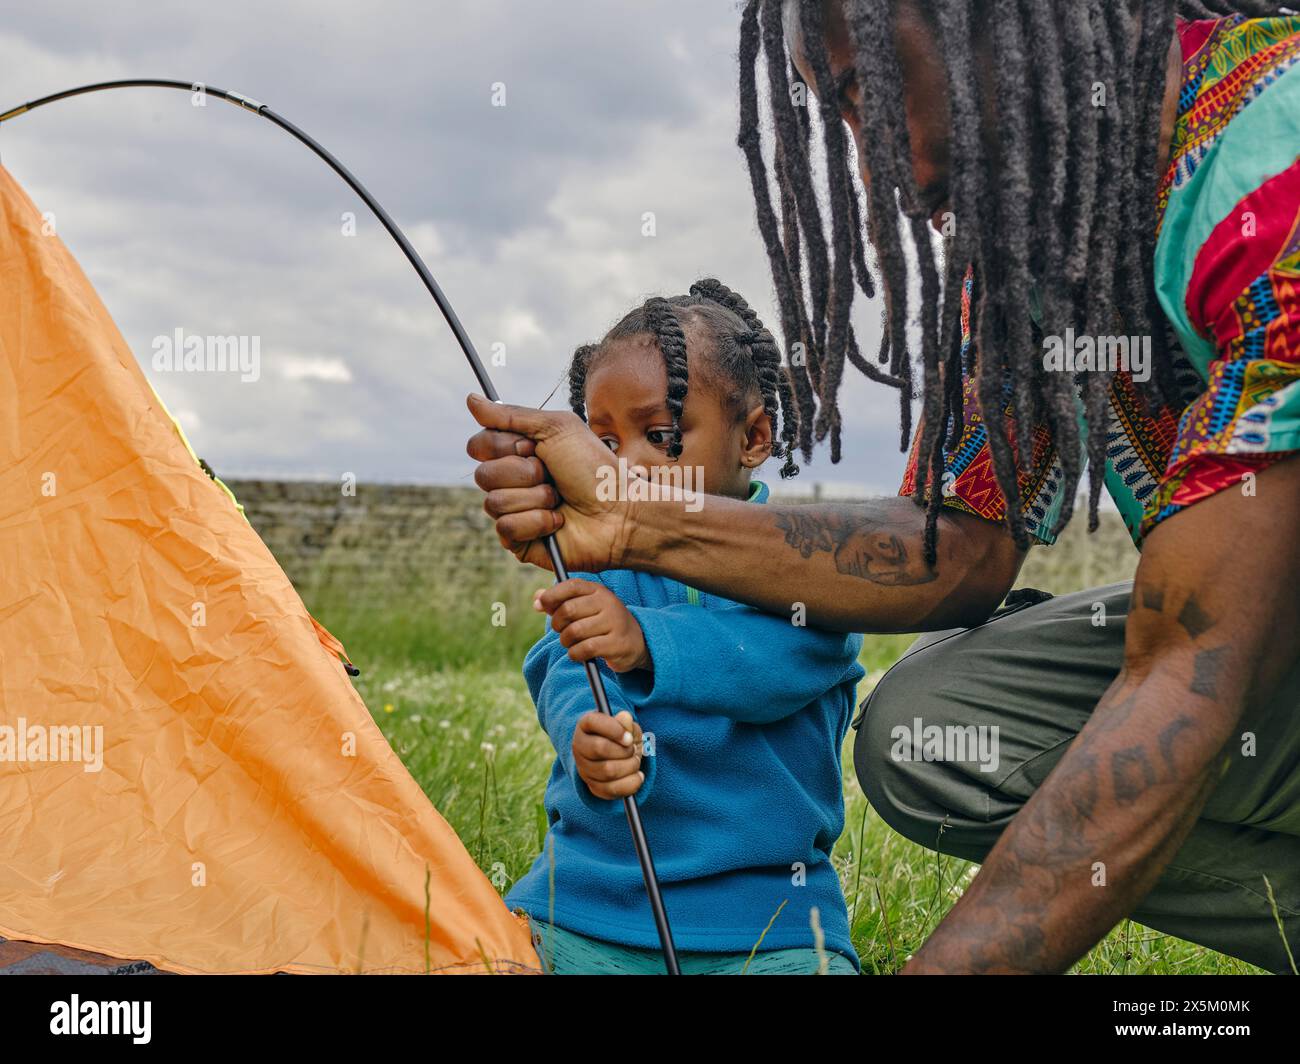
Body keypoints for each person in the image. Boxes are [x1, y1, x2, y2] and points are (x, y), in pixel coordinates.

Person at [468, 1, 1300, 973]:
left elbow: (1186, 669)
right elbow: (956, 546)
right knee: (929, 730)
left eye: (865, 96)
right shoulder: (1032, 244)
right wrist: (631, 516)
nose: (870, 175)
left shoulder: (1270, 158)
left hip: (1237, 654)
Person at [506, 280, 865, 975]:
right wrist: (586, 732)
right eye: (603, 440)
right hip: (588, 909)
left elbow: (791, 656)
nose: (625, 465)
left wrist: (646, 643)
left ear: (754, 437)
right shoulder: (602, 568)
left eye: (660, 435)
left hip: (771, 926)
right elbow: (559, 661)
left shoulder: (806, 567)